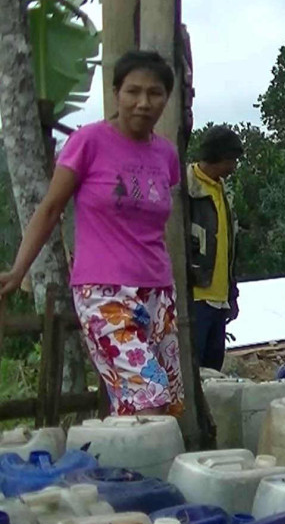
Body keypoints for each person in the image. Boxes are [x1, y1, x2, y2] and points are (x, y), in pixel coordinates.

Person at [0, 50, 184, 416]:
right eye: (133, 91)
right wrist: (19, 270)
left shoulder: (166, 155)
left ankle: (132, 472)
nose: (143, 102)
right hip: (103, 292)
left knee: (159, 406)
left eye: (155, 93)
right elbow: (50, 209)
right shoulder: (88, 142)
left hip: (157, 292)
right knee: (148, 396)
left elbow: (156, 223)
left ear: (166, 98)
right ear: (116, 92)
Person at [188, 126, 243, 371]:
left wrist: (232, 294)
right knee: (193, 368)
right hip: (196, 296)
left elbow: (229, 247)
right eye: (231, 160)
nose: (233, 167)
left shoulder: (222, 190)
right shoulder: (187, 188)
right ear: (217, 157)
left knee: (213, 369)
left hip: (219, 299)